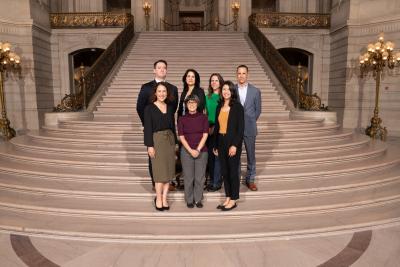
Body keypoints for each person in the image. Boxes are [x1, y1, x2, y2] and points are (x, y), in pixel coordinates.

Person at [136, 60, 178, 189]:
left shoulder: (173, 88)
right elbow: (140, 107)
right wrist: (147, 124)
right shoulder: (146, 87)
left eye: (164, 68)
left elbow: (173, 108)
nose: (162, 70)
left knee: (168, 156)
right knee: (153, 157)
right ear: (154, 70)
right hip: (153, 129)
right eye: (159, 68)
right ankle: (156, 183)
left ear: (166, 70)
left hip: (167, 129)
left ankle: (167, 181)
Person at [144, 82, 177, 211]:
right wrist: (149, 146)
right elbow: (148, 129)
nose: (162, 94)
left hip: (169, 141)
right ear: (155, 93)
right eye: (159, 91)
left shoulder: (169, 108)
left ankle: (164, 198)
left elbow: (172, 127)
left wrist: (175, 144)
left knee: (168, 172)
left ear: (167, 93)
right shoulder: (149, 108)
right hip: (156, 141)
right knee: (159, 173)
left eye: (164, 91)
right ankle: (158, 197)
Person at [213, 81, 244, 211]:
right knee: (224, 172)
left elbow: (240, 129)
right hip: (221, 141)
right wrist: (215, 145)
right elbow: (217, 127)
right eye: (224, 89)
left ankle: (233, 199)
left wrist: (235, 145)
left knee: (232, 172)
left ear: (232, 91)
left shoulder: (237, 107)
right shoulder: (219, 106)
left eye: (228, 89)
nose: (226, 91)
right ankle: (227, 197)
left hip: (232, 143)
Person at [178, 95, 209, 208]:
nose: (191, 104)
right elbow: (181, 137)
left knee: (200, 177)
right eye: (189, 102)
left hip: (202, 151)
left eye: (194, 102)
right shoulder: (182, 119)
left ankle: (198, 199)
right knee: (188, 177)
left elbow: (205, 134)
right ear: (186, 105)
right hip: (187, 151)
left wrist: (198, 149)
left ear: (197, 104)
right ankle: (189, 199)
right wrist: (191, 150)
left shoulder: (204, 117)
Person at [235, 65, 261, 191]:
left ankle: (250, 179)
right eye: (239, 73)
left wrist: (249, 121)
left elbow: (258, 110)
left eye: (243, 73)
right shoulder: (232, 90)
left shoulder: (255, 91)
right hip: (235, 129)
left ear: (247, 75)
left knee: (251, 155)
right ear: (236, 75)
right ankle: (236, 178)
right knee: (236, 155)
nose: (241, 75)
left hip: (250, 128)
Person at [205, 73, 223, 192]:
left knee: (218, 156)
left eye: (216, 80)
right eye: (212, 80)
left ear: (220, 82)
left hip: (220, 129)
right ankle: (212, 180)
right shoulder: (207, 97)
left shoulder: (224, 97)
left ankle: (217, 181)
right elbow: (205, 113)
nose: (214, 82)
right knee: (210, 156)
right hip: (209, 129)